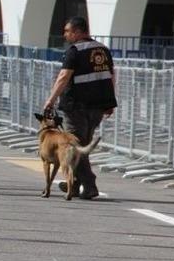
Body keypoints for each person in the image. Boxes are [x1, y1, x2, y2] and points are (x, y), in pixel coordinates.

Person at [41, 16, 117, 200]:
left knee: (74, 146)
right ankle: (73, 185)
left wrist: (50, 100)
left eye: (67, 31)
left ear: (77, 31)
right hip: (98, 107)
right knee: (82, 144)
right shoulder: (103, 49)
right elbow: (111, 76)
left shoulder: (74, 51)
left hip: (76, 106)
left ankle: (89, 185)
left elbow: (63, 76)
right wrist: (110, 101)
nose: (65, 34)